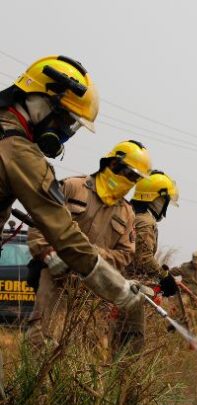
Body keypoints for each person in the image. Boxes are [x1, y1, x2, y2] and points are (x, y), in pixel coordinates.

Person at [0, 55, 143, 312]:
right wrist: (117, 288)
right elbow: (63, 233)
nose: (65, 133)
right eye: (66, 121)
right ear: (43, 102)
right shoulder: (20, 152)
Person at [25, 140, 144, 348]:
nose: (131, 182)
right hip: (57, 282)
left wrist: (89, 256)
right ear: (114, 165)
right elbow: (40, 221)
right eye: (130, 175)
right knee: (42, 342)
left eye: (136, 179)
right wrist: (48, 253)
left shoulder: (127, 212)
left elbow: (125, 255)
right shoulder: (72, 187)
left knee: (89, 351)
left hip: (94, 291)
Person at [122, 170, 180, 353]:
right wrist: (165, 277)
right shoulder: (146, 222)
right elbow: (144, 258)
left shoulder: (128, 213)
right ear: (157, 199)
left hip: (117, 283)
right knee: (133, 339)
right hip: (130, 288)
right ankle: (125, 378)